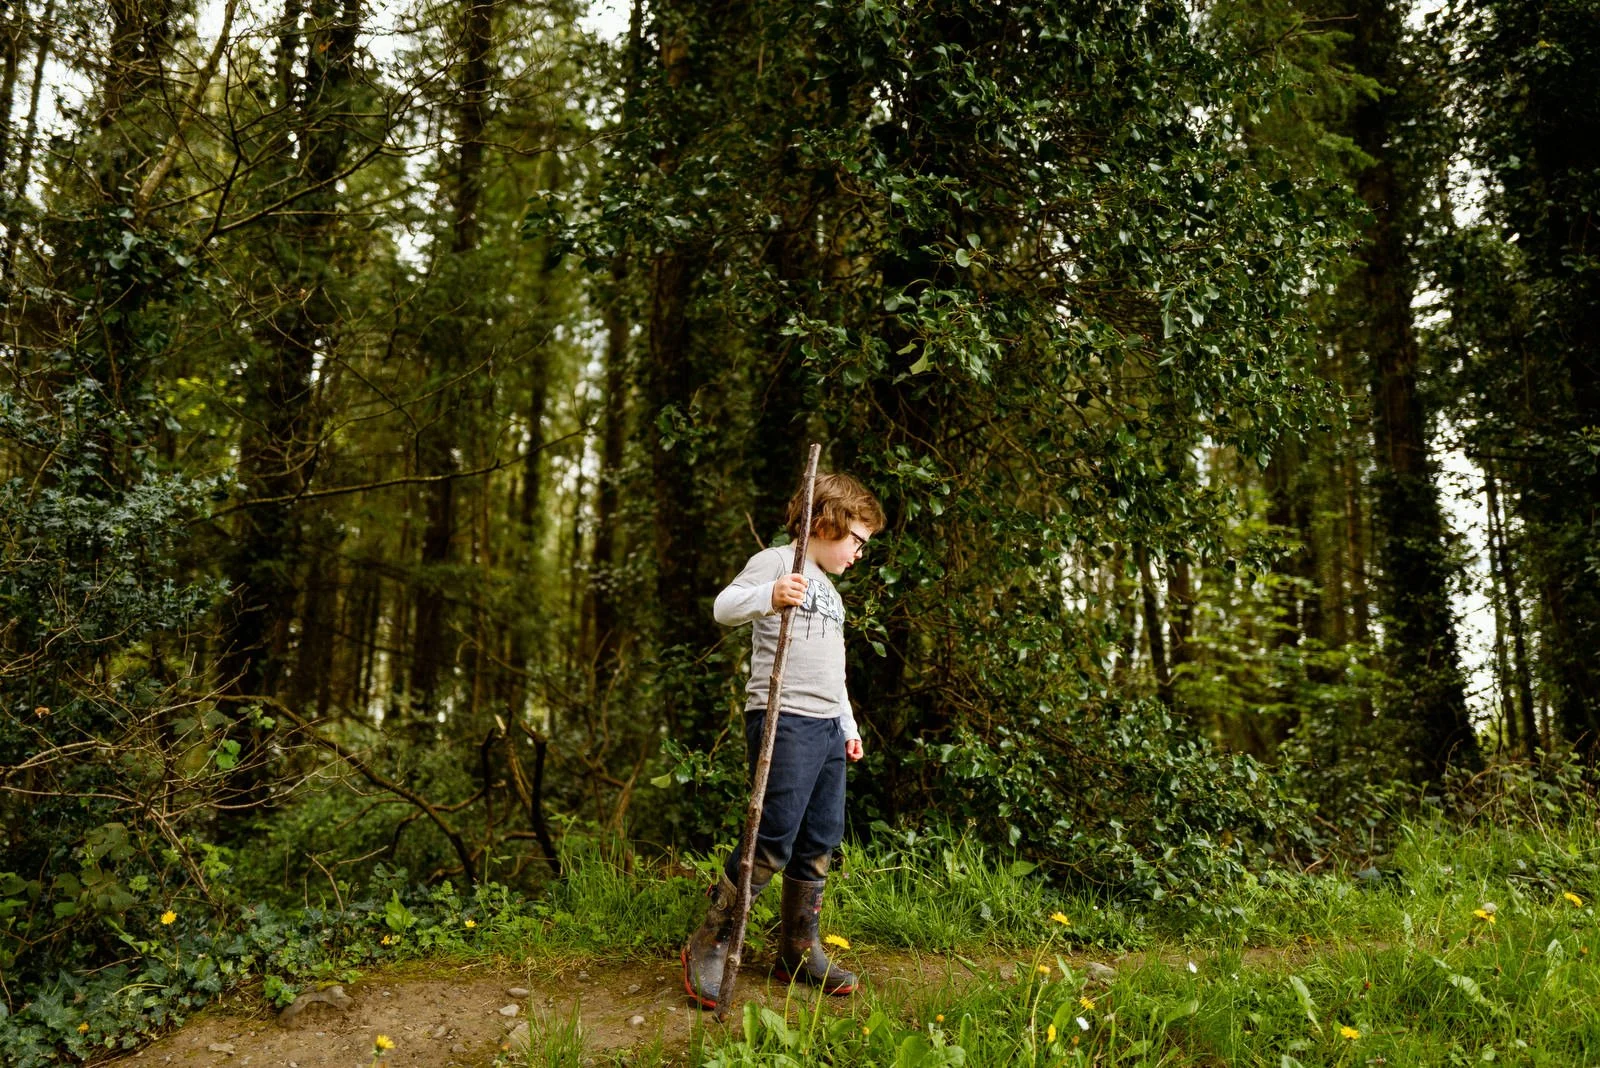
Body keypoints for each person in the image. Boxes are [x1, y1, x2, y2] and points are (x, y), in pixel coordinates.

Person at [681, 472, 886, 1011]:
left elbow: (834, 671)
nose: (861, 553)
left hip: (825, 727)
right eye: (857, 540)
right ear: (826, 522)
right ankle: (713, 939)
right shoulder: (779, 562)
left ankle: (797, 948)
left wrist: (848, 725)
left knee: (820, 839)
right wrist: (770, 595)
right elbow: (724, 607)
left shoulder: (833, 592)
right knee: (772, 834)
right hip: (784, 720)